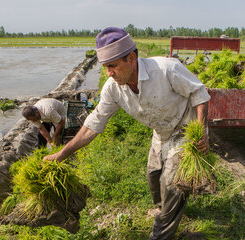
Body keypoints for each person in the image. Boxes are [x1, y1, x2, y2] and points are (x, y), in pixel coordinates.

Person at [43, 27, 210, 240]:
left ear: (131, 58)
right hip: (161, 131)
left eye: (112, 66)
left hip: (185, 129)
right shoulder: (113, 89)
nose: (109, 74)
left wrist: (201, 132)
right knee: (153, 176)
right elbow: (93, 124)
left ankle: (163, 232)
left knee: (172, 184)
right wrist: (61, 155)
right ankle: (163, 208)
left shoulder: (166, 70)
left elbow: (200, 93)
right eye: (105, 68)